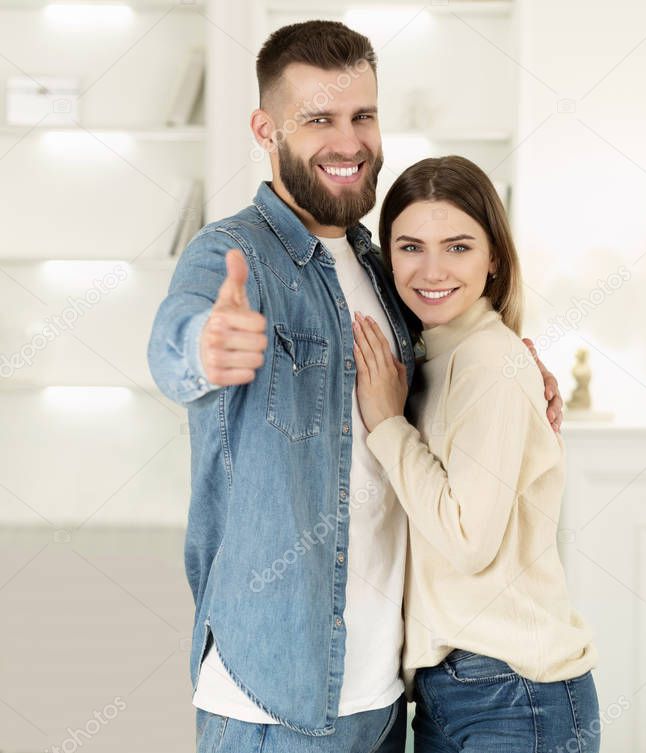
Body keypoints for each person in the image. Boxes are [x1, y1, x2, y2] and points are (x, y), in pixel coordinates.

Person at [146, 20, 563, 753]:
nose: (348, 142)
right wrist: (208, 349)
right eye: (318, 119)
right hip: (273, 700)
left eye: (362, 116)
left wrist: (522, 381)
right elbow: (174, 342)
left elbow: (435, 392)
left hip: (384, 699)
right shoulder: (232, 254)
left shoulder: (383, 266)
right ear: (265, 129)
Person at [351, 155, 599, 753]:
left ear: (494, 261)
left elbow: (467, 539)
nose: (431, 269)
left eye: (458, 247)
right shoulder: (438, 360)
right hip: (459, 689)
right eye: (410, 246)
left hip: (514, 692)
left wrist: (386, 424)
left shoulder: (490, 361)